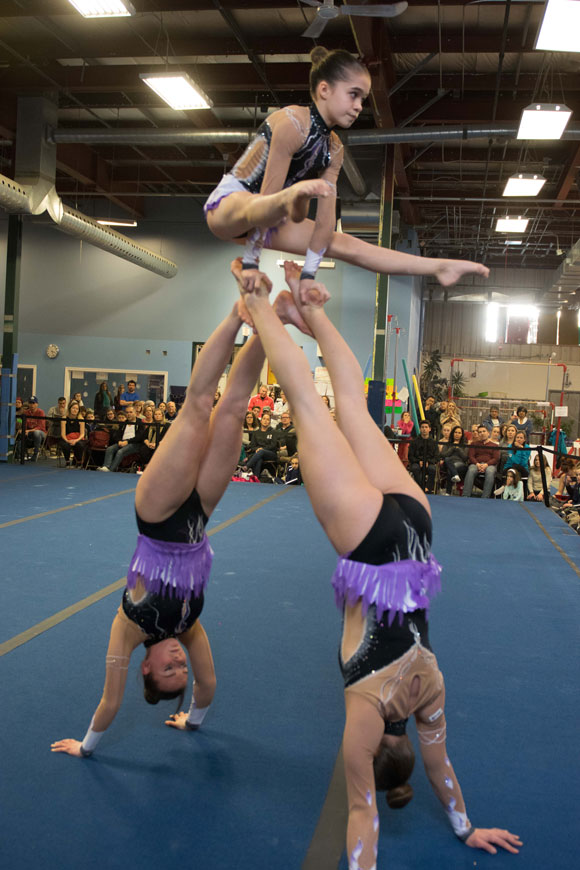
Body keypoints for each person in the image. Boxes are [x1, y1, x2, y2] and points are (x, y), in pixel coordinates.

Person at [233, 259, 521, 869]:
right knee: (310, 410)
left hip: (417, 529)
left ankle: (308, 307)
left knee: (358, 412)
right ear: (376, 749)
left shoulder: (431, 695)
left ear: (408, 738)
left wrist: (466, 826)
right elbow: (362, 811)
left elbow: (441, 768)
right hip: (369, 539)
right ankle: (258, 298)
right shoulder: (365, 707)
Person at [50, 300, 267, 759]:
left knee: (198, 406)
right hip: (197, 517)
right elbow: (208, 685)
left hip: (157, 513)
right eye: (179, 672)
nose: (178, 664)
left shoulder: (129, 629)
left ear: (144, 667)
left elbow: (111, 701)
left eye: (167, 671)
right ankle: (269, 320)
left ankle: (235, 313)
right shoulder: (188, 626)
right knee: (231, 411)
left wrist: (86, 747)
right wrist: (193, 716)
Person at [204, 47, 489, 309]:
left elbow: (326, 224)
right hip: (232, 205)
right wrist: (252, 264)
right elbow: (263, 204)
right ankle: (294, 198)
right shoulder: (291, 122)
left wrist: (308, 275)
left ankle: (438, 267)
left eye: (363, 99)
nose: (359, 106)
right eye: (353, 94)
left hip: (271, 216)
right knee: (260, 205)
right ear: (324, 89)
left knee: (344, 243)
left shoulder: (335, 148)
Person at [462, 425, 499, 499]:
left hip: (490, 465)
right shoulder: (474, 444)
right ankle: (465, 495)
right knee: (471, 470)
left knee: (490, 471)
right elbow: (471, 456)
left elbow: (496, 458)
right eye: (480, 432)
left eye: (484, 431)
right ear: (478, 434)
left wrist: (486, 464)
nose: (482, 433)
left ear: (488, 433)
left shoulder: (495, 445)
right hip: (476, 464)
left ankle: (485, 497)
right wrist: (477, 464)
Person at [408, 421, 439, 494]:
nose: (424, 429)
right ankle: (421, 488)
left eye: (426, 427)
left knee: (432, 469)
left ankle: (428, 488)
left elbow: (437, 457)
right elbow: (410, 456)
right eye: (422, 427)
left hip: (429, 462)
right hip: (417, 462)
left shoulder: (434, 442)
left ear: (430, 429)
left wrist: (429, 462)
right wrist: (419, 461)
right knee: (415, 468)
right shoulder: (414, 442)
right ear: (420, 429)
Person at [440, 425, 468, 495]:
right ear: (452, 433)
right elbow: (443, 455)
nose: (457, 434)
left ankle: (448, 492)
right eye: (455, 432)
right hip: (447, 463)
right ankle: (455, 475)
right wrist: (452, 448)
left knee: (451, 470)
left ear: (462, 435)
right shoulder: (447, 444)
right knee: (447, 460)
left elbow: (465, 458)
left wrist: (458, 449)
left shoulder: (465, 445)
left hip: (460, 464)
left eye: (459, 433)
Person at [21, 396, 47, 461]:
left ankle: (36, 453)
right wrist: (23, 430)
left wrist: (28, 431)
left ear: (37, 404)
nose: (32, 405)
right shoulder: (26, 412)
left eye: (33, 403)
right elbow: (24, 424)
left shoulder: (41, 412)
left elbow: (40, 426)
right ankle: (21, 453)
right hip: (30, 432)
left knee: (37, 432)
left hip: (41, 432)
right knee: (21, 432)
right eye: (30, 403)